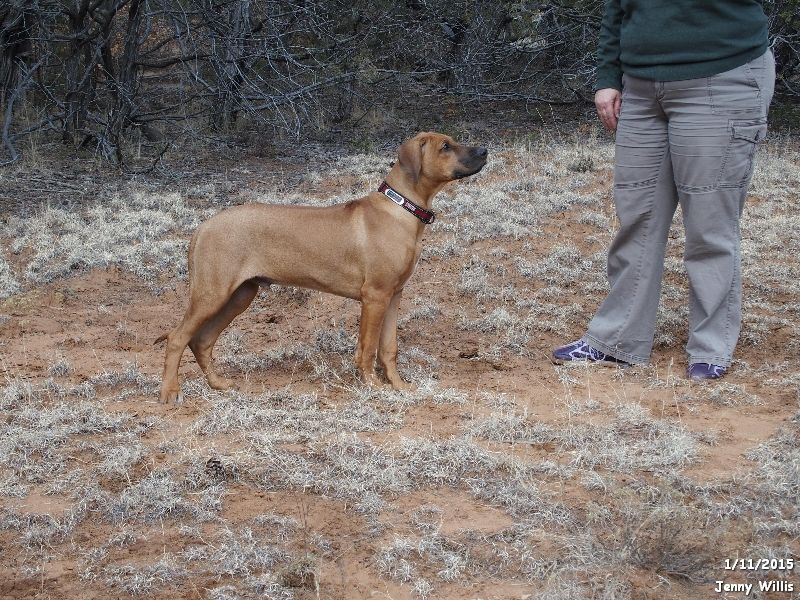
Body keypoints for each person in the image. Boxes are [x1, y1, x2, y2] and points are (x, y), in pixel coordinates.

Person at [552, 0, 775, 380]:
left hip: (721, 76)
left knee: (709, 225)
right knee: (637, 218)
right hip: (640, 87)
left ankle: (710, 347)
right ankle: (617, 339)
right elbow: (617, 8)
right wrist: (608, 76)